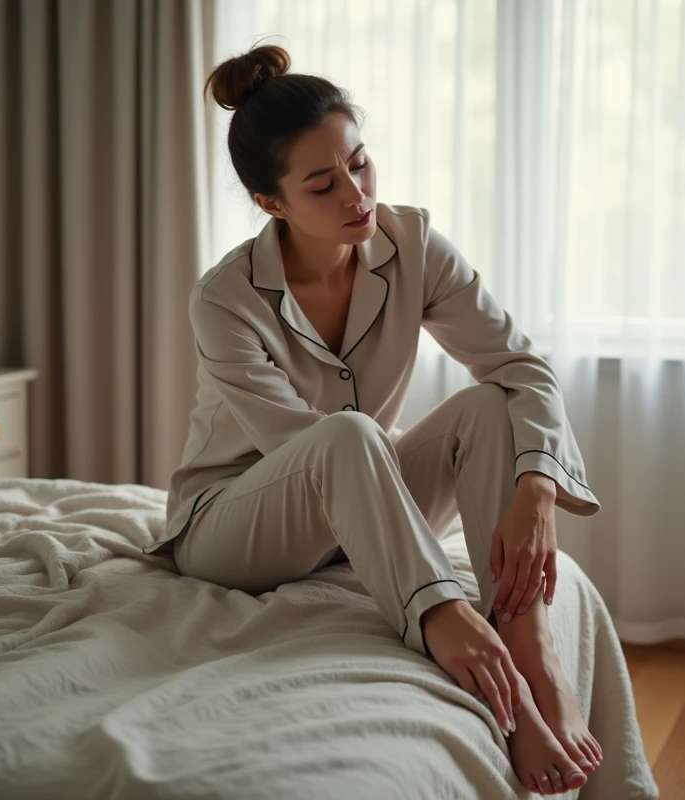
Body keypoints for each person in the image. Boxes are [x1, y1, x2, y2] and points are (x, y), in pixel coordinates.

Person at [146, 44, 603, 796]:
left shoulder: (413, 243)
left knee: (490, 406)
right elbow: (311, 447)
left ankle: (529, 642)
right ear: (273, 204)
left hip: (355, 502)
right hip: (234, 525)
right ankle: (461, 634)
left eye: (361, 163)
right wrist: (439, 602)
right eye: (323, 184)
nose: (357, 194)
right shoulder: (224, 298)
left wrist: (538, 491)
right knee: (351, 435)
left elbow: (522, 367)